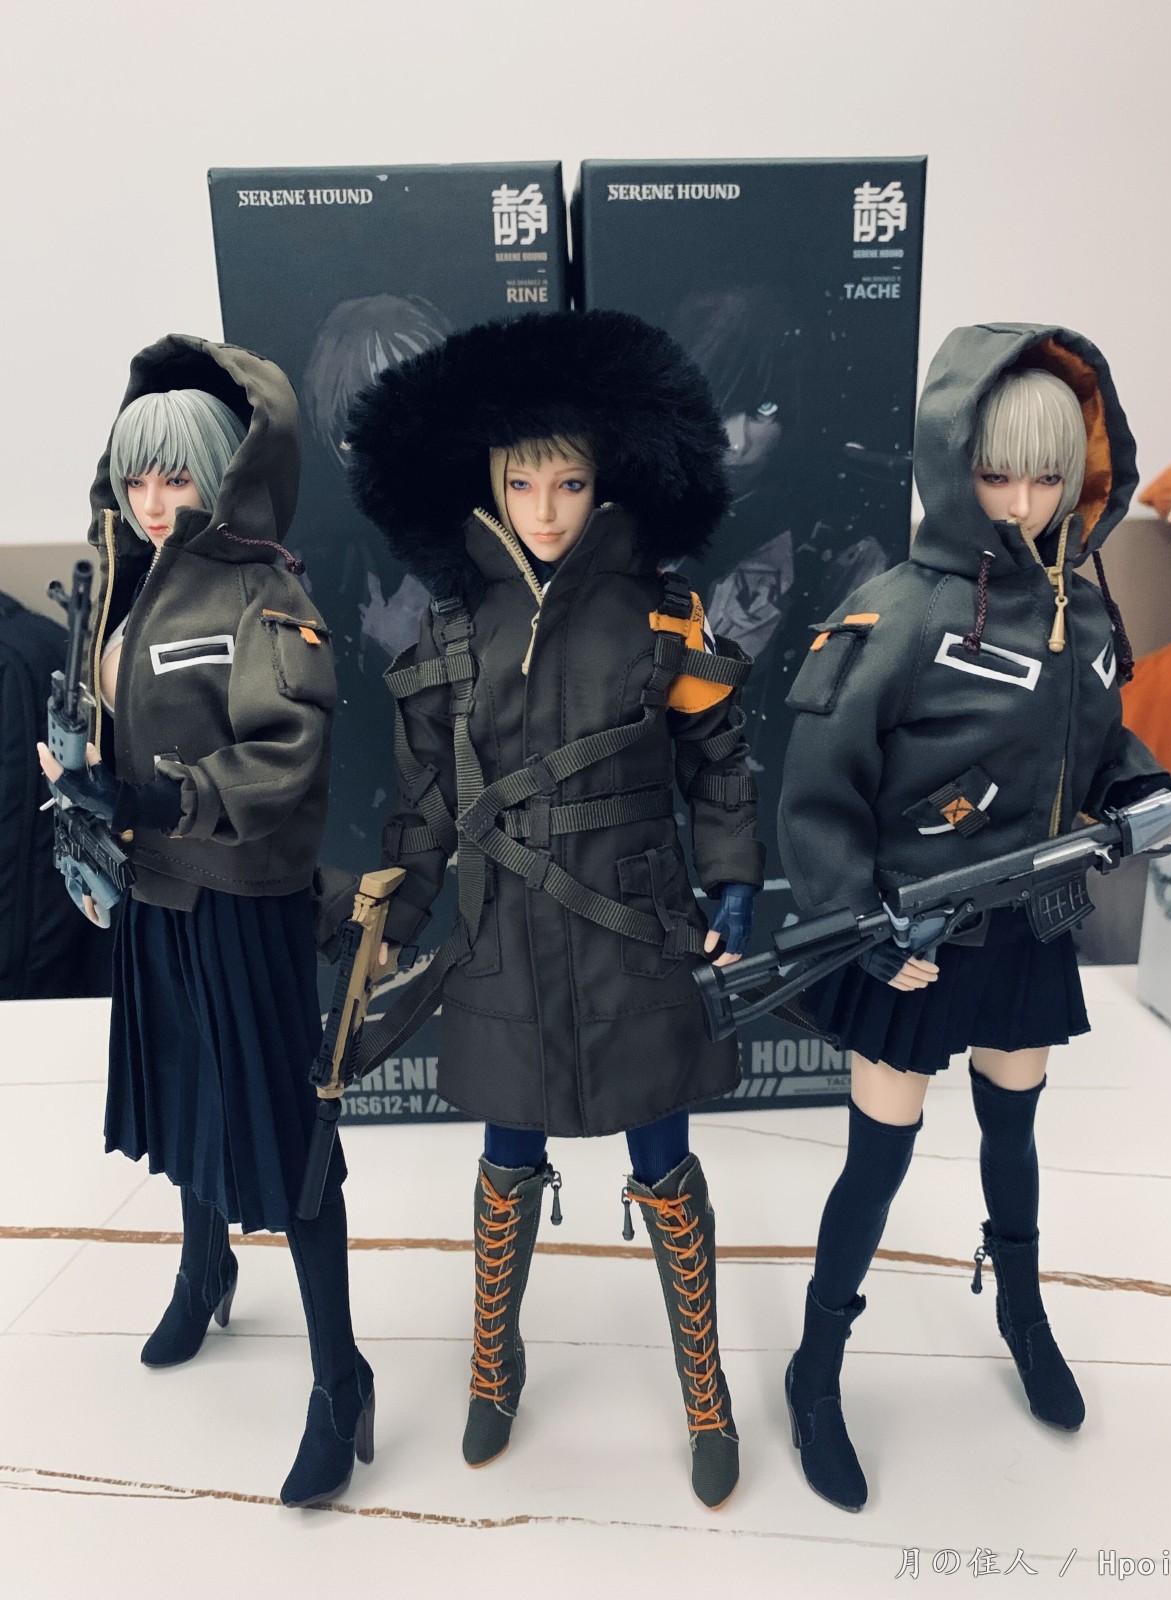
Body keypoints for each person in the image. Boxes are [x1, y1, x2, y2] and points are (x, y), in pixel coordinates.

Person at [346, 309, 765, 1509]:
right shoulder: (451, 629)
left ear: (604, 483)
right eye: (521, 482)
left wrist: (734, 872)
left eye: (568, 482)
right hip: (502, 936)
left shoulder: (661, 614)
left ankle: (703, 1383)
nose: (544, 509)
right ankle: (496, 1362)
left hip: (637, 928)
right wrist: (398, 918)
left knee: (664, 1156)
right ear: (485, 483)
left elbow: (718, 760)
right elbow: (426, 804)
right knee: (506, 1154)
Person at [777, 322, 1171, 1512]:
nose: (1021, 501)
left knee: (1015, 1135)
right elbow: (820, 784)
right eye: (996, 474)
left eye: (1045, 476)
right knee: (880, 1156)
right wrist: (860, 921)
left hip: (1031, 923)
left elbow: (1098, 745)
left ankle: (1021, 1310)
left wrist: (1143, 792)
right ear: (954, 468)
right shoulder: (901, 612)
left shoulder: (1086, 611)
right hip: (917, 931)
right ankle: (817, 1362)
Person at [35, 335, 371, 1509]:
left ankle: (341, 1377)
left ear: (227, 470)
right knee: (181, 1095)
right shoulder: (127, 588)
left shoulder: (264, 593)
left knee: (287, 1136)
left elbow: (287, 752)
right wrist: (82, 777)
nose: (151, 498)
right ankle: (202, 1270)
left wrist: (156, 795)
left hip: (238, 902)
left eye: (176, 473)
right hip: (148, 895)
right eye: (137, 475)